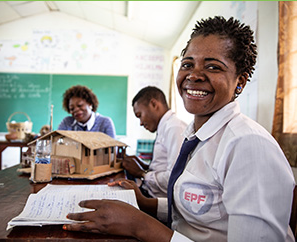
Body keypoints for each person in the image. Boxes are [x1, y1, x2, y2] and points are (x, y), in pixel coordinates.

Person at [62, 16, 296, 242]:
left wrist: (139, 225)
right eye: (187, 64)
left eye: (213, 67)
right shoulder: (197, 135)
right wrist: (145, 203)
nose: (193, 75)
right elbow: (200, 211)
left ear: (240, 81)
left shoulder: (248, 145)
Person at [122, 86, 187, 198]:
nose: (141, 123)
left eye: (140, 115)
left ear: (154, 104)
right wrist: (145, 166)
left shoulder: (174, 128)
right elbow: (163, 166)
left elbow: (174, 179)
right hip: (150, 192)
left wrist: (141, 173)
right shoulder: (165, 127)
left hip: (157, 200)